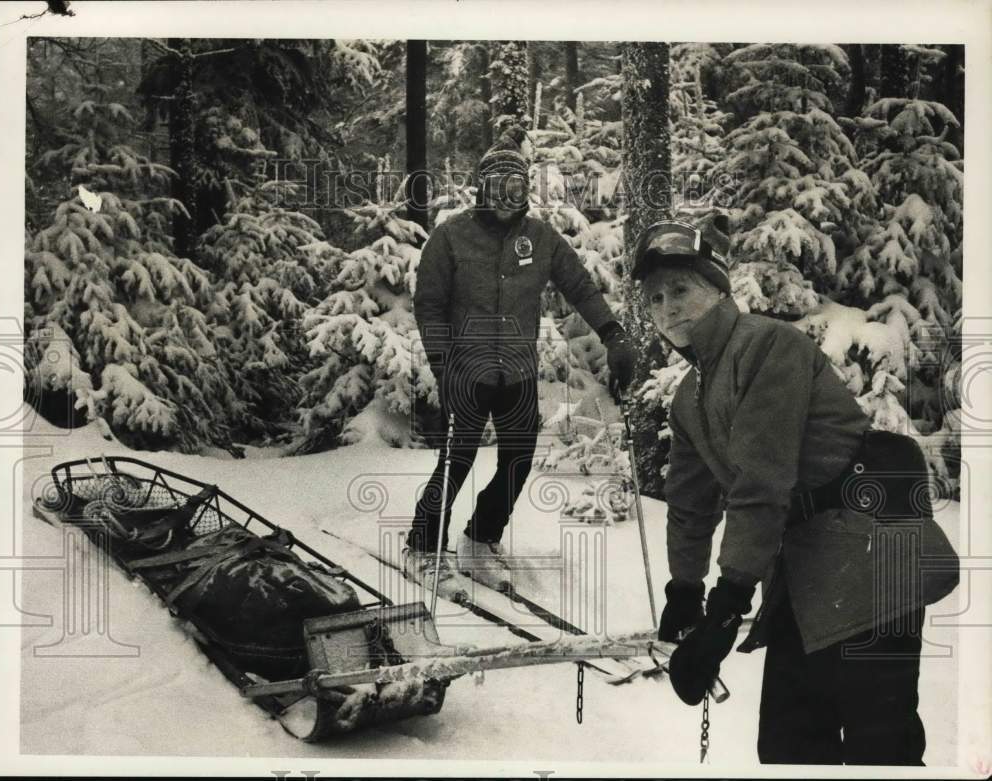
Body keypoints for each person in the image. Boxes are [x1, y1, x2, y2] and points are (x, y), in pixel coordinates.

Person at [631, 217, 960, 766]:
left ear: (717, 288)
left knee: (880, 751)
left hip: (872, 562)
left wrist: (726, 609)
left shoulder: (766, 346)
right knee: (789, 753)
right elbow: (690, 505)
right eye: (655, 297)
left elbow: (762, 485)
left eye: (681, 289)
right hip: (803, 579)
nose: (667, 307)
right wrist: (684, 591)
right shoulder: (689, 397)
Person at [408, 127, 635, 595]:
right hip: (464, 370)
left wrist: (612, 333)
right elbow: (429, 304)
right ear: (483, 188)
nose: (509, 197)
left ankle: (479, 540)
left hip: (516, 372)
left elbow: (580, 288)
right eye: (499, 187)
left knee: (517, 460)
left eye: (517, 187)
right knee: (458, 460)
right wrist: (442, 363)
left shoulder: (541, 238)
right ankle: (423, 547)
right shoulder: (450, 237)